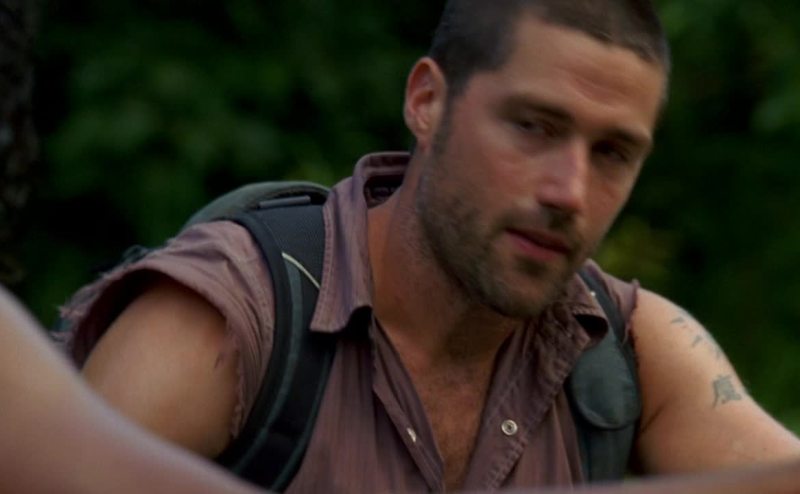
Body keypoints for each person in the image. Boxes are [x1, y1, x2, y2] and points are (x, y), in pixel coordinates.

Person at [57, 0, 800, 492]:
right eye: (532, 126)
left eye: (612, 153)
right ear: (427, 102)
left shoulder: (626, 350)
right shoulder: (230, 319)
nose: (569, 192)